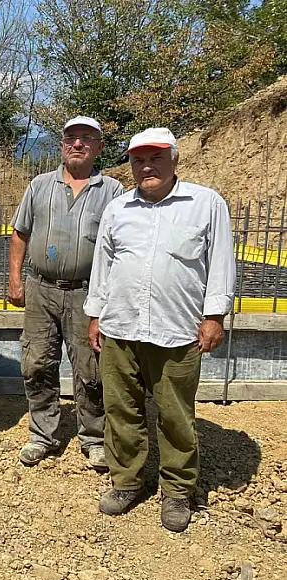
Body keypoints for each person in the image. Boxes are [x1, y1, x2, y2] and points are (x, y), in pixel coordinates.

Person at [86, 127, 235, 532]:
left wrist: (214, 315)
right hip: (121, 327)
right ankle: (127, 481)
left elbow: (220, 262)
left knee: (175, 414)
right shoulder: (119, 209)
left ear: (175, 159)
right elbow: (104, 265)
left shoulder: (205, 204)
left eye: (155, 158)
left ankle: (177, 490)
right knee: (121, 409)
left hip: (178, 329)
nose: (146, 166)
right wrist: (96, 315)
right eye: (138, 160)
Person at [7, 116, 124, 470]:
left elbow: (119, 246)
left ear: (99, 147)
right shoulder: (40, 186)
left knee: (91, 368)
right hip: (41, 289)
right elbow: (20, 234)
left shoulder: (112, 191)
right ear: (61, 145)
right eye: (71, 138)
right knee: (37, 363)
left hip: (87, 293)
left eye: (86, 139)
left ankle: (93, 437)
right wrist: (16, 279)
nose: (77, 144)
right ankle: (42, 435)